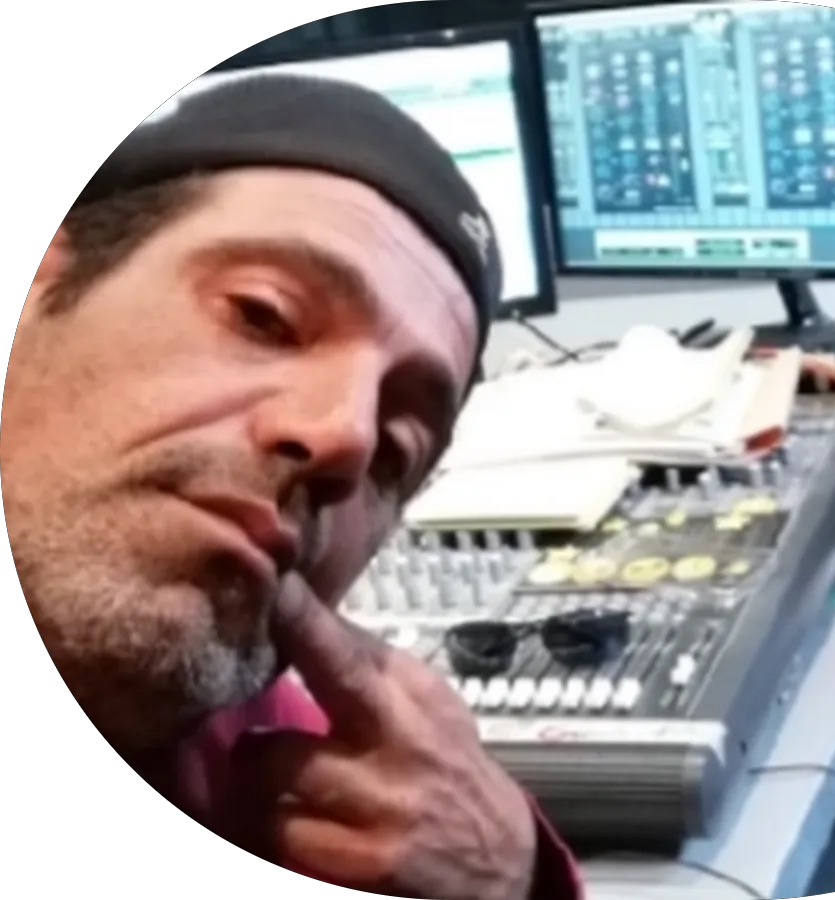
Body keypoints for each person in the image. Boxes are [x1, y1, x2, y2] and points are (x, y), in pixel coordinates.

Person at [2, 74, 582, 900]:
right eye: (263, 315)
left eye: (398, 449)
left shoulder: (311, 781)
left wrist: (516, 878)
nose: (347, 436)